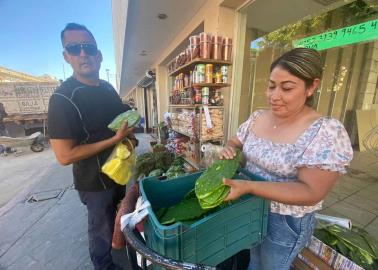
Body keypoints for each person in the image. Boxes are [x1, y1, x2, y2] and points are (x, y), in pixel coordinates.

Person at [220, 48, 353, 270]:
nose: (274, 96)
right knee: (254, 262)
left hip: (285, 222)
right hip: (250, 209)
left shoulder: (326, 131)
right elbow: (235, 142)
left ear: (312, 87)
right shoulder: (258, 117)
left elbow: (311, 192)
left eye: (287, 88)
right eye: (271, 86)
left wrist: (248, 186)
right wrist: (229, 149)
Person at [48, 23, 138, 270]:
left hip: (118, 173)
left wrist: (131, 131)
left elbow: (121, 116)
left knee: (121, 220)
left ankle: (122, 258)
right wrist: (113, 140)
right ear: (66, 56)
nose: (83, 54)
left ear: (99, 54)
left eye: (88, 47)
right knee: (101, 231)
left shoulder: (107, 88)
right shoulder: (62, 99)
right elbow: (64, 156)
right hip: (94, 182)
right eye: (74, 48)